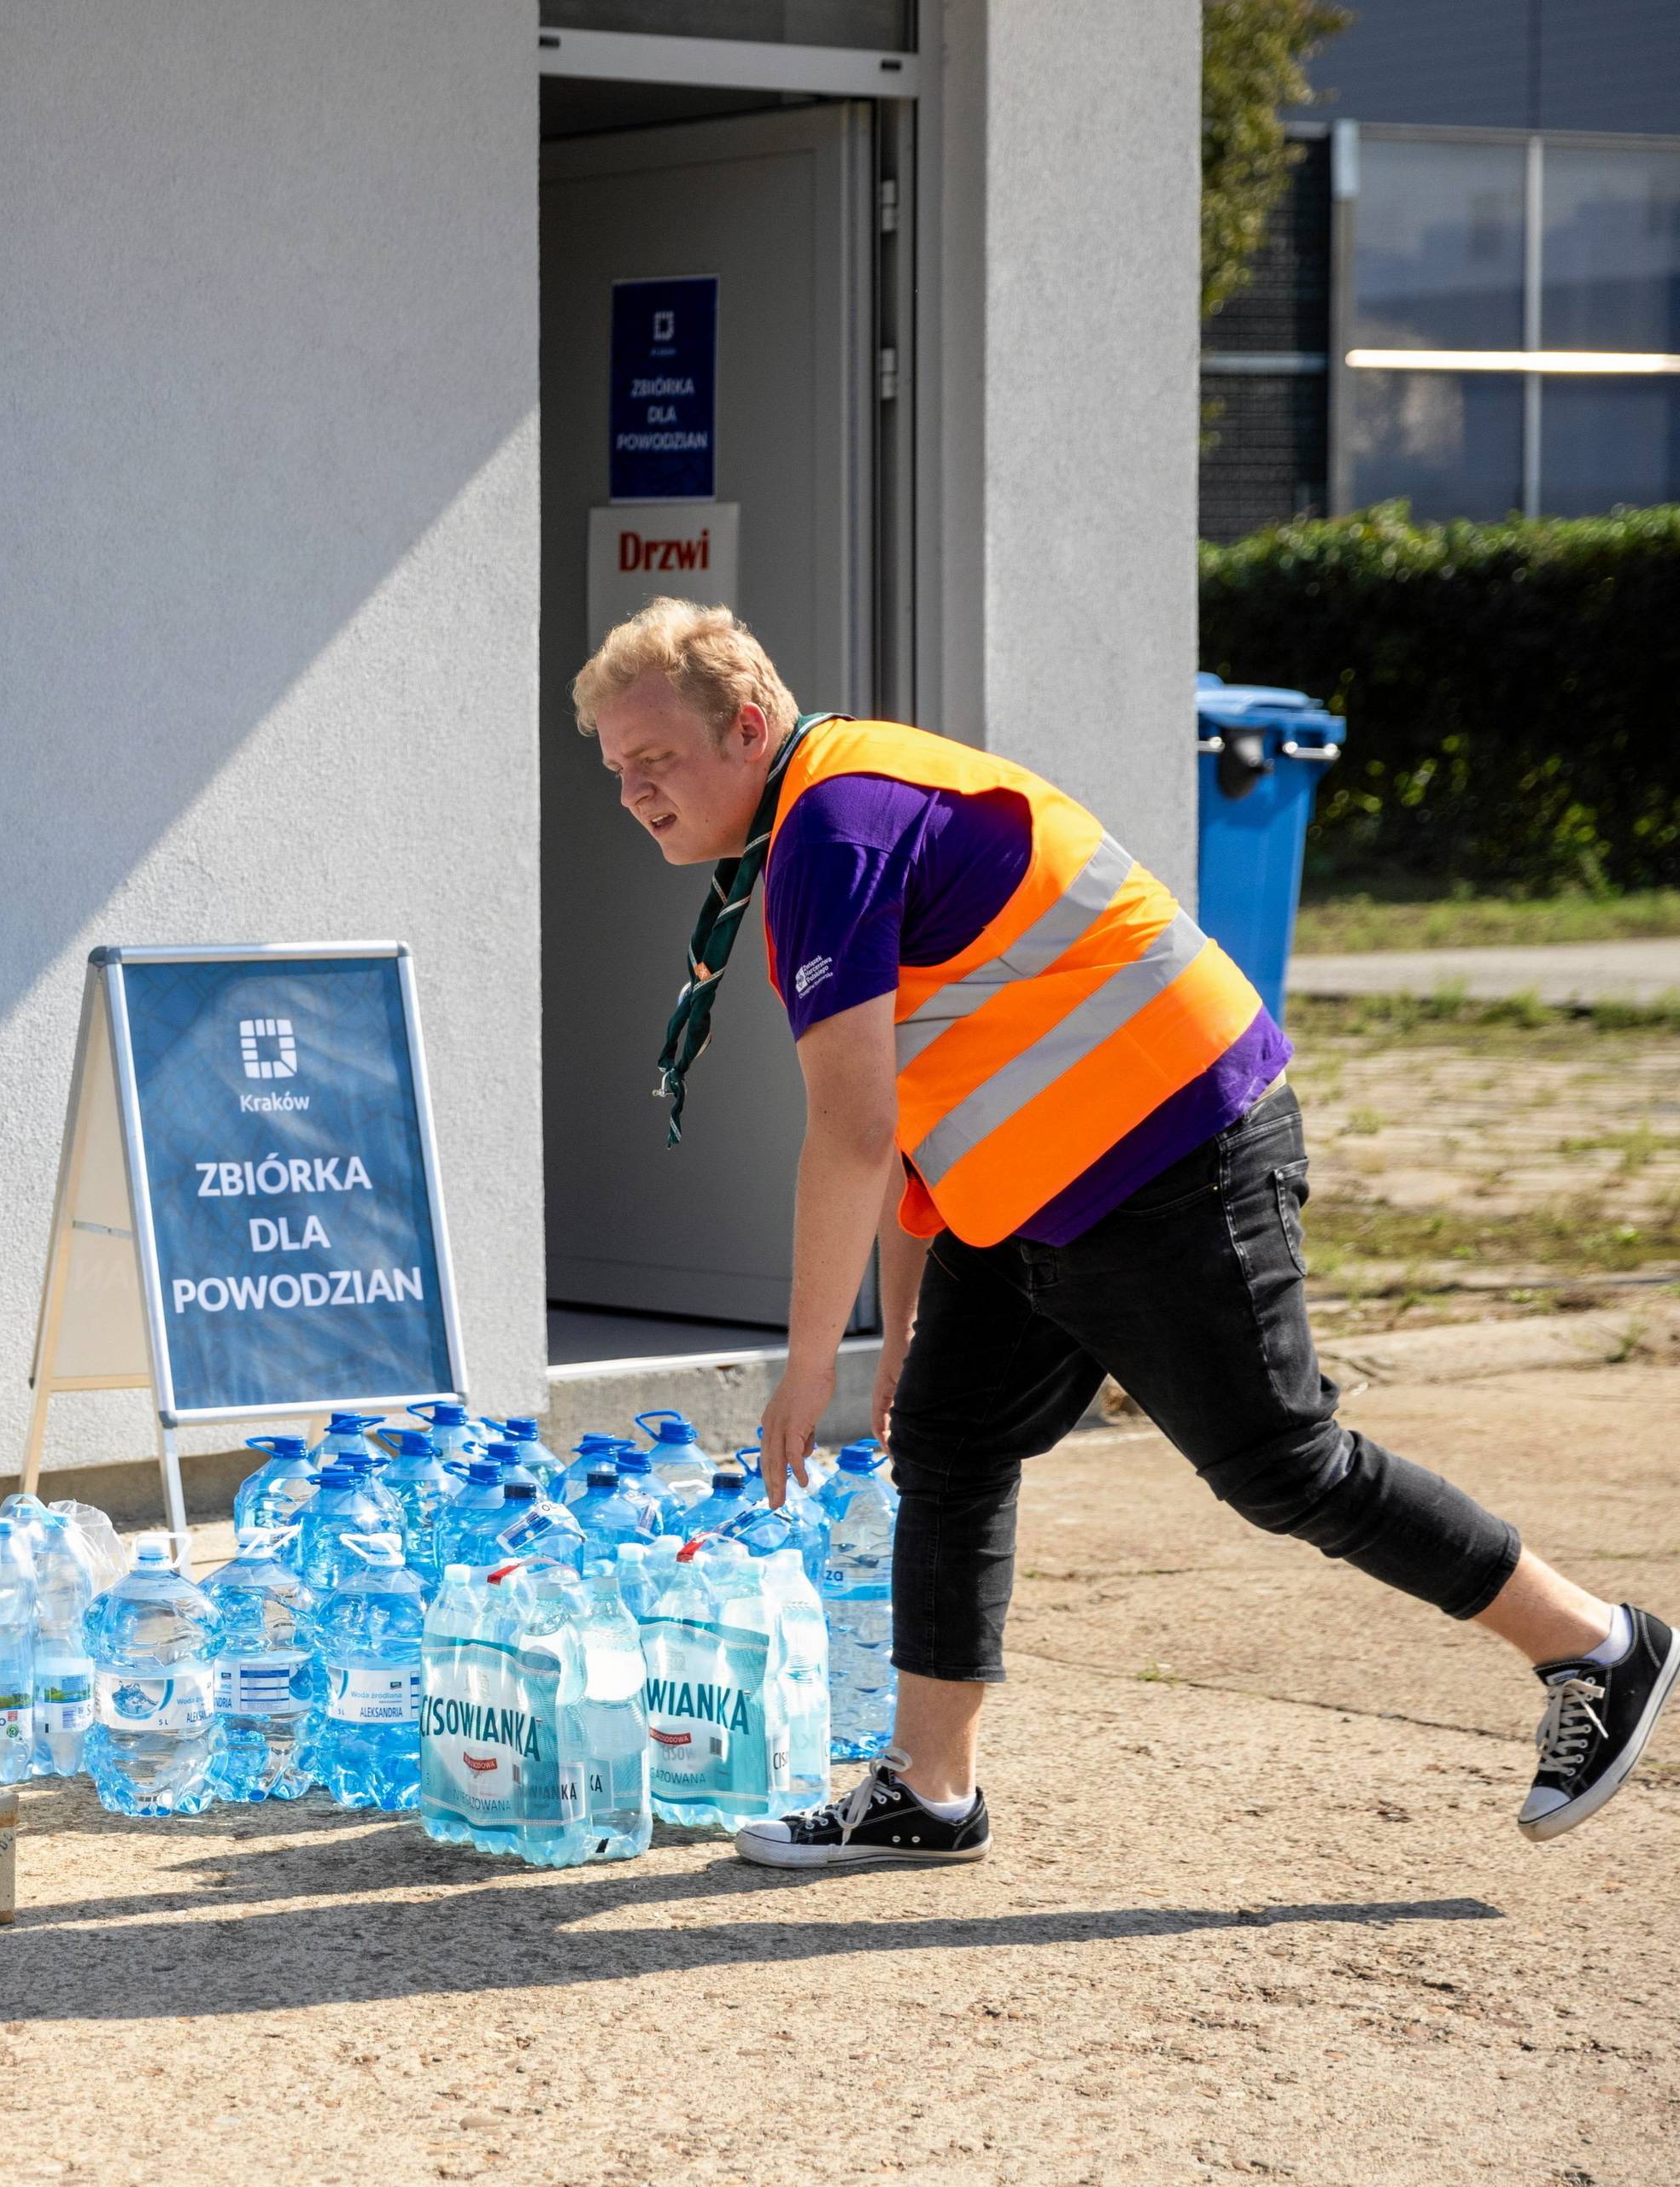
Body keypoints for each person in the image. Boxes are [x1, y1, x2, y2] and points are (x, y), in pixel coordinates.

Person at [571, 598, 1672, 1868]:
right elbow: (924, 1102)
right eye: (617, 771)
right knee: (949, 1430)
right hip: (1042, 1176)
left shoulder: (831, 822)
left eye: (653, 760)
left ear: (746, 725)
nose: (634, 791)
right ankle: (931, 1791)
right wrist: (906, 1325)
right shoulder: (827, 803)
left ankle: (1596, 1642)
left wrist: (810, 1365)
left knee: (1282, 1464)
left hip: (1170, 1146)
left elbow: (852, 1129)